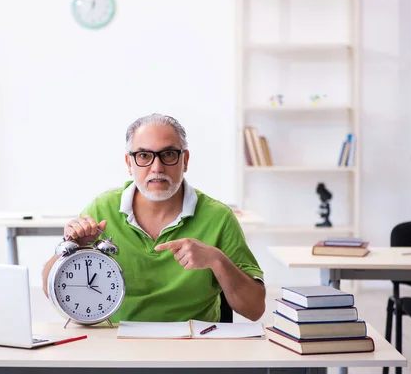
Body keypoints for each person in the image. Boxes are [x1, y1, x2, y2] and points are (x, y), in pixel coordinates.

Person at [42, 113, 265, 323]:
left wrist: (217, 260)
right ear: (129, 163)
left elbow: (255, 310)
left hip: (193, 349)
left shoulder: (219, 218)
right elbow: (49, 290)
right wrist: (70, 247)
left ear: (184, 160)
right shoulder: (102, 208)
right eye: (144, 156)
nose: (156, 168)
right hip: (116, 346)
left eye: (168, 154)